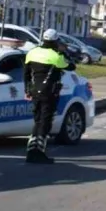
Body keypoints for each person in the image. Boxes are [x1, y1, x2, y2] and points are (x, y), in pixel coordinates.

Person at [23, 29, 76, 164]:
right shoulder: (56, 56)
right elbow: (71, 66)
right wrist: (64, 51)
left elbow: (26, 74)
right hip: (49, 92)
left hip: (35, 91)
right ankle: (39, 152)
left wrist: (27, 90)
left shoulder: (32, 52)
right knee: (45, 122)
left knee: (37, 120)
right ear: (55, 41)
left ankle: (31, 151)